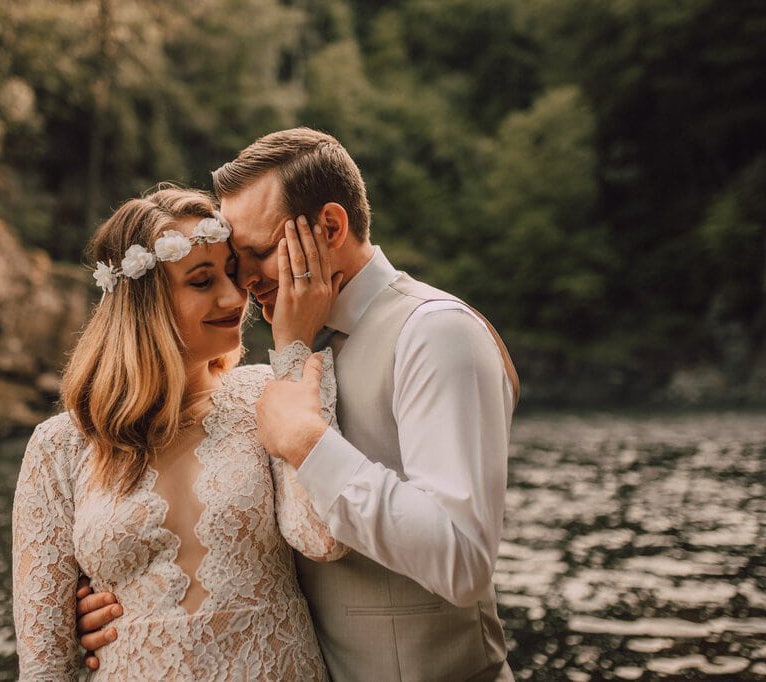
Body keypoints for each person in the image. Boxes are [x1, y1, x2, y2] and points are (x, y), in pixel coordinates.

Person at [78, 129, 520, 681]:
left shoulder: (435, 333)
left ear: (330, 227)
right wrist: (119, 597)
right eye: (235, 261)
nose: (243, 282)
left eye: (260, 253)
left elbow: (464, 561)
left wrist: (311, 445)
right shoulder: (290, 350)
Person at [11, 186, 348, 680]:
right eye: (202, 281)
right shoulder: (59, 447)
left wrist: (293, 347)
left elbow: (322, 538)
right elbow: (46, 664)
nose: (234, 297)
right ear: (144, 305)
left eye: (231, 273)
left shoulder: (269, 392)